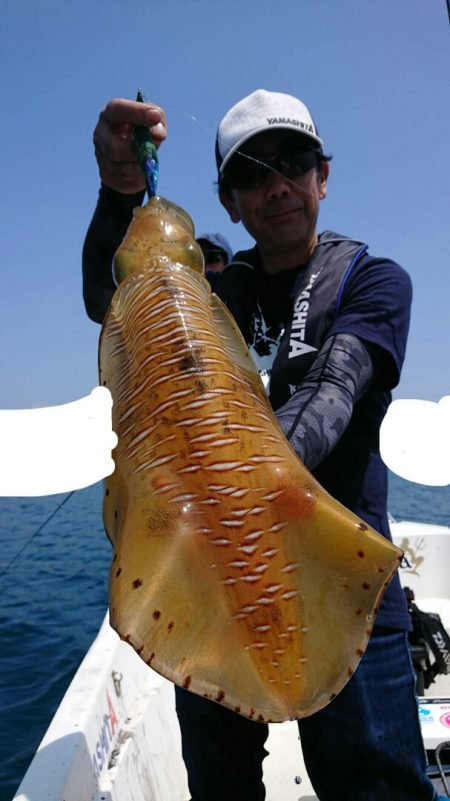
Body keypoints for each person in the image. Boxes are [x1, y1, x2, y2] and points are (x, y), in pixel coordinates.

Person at [83, 90, 444, 801]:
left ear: (322, 176)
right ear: (229, 200)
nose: (277, 185)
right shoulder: (215, 289)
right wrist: (121, 190)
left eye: (295, 162)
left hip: (343, 582)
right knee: (221, 785)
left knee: (376, 786)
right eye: (253, 174)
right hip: (209, 582)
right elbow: (111, 299)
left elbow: (334, 390)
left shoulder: (372, 281)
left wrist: (231, 476)